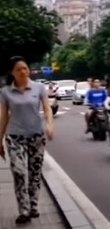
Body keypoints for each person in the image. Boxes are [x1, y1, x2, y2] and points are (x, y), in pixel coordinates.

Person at [0, 56, 55, 224]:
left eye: (25, 68)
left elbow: (47, 108)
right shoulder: (6, 92)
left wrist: (49, 125)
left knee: (35, 173)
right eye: (19, 69)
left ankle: (33, 206)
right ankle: (23, 210)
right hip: (14, 137)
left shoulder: (39, 88)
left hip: (36, 136)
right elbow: (3, 117)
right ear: (12, 72)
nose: (23, 71)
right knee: (19, 172)